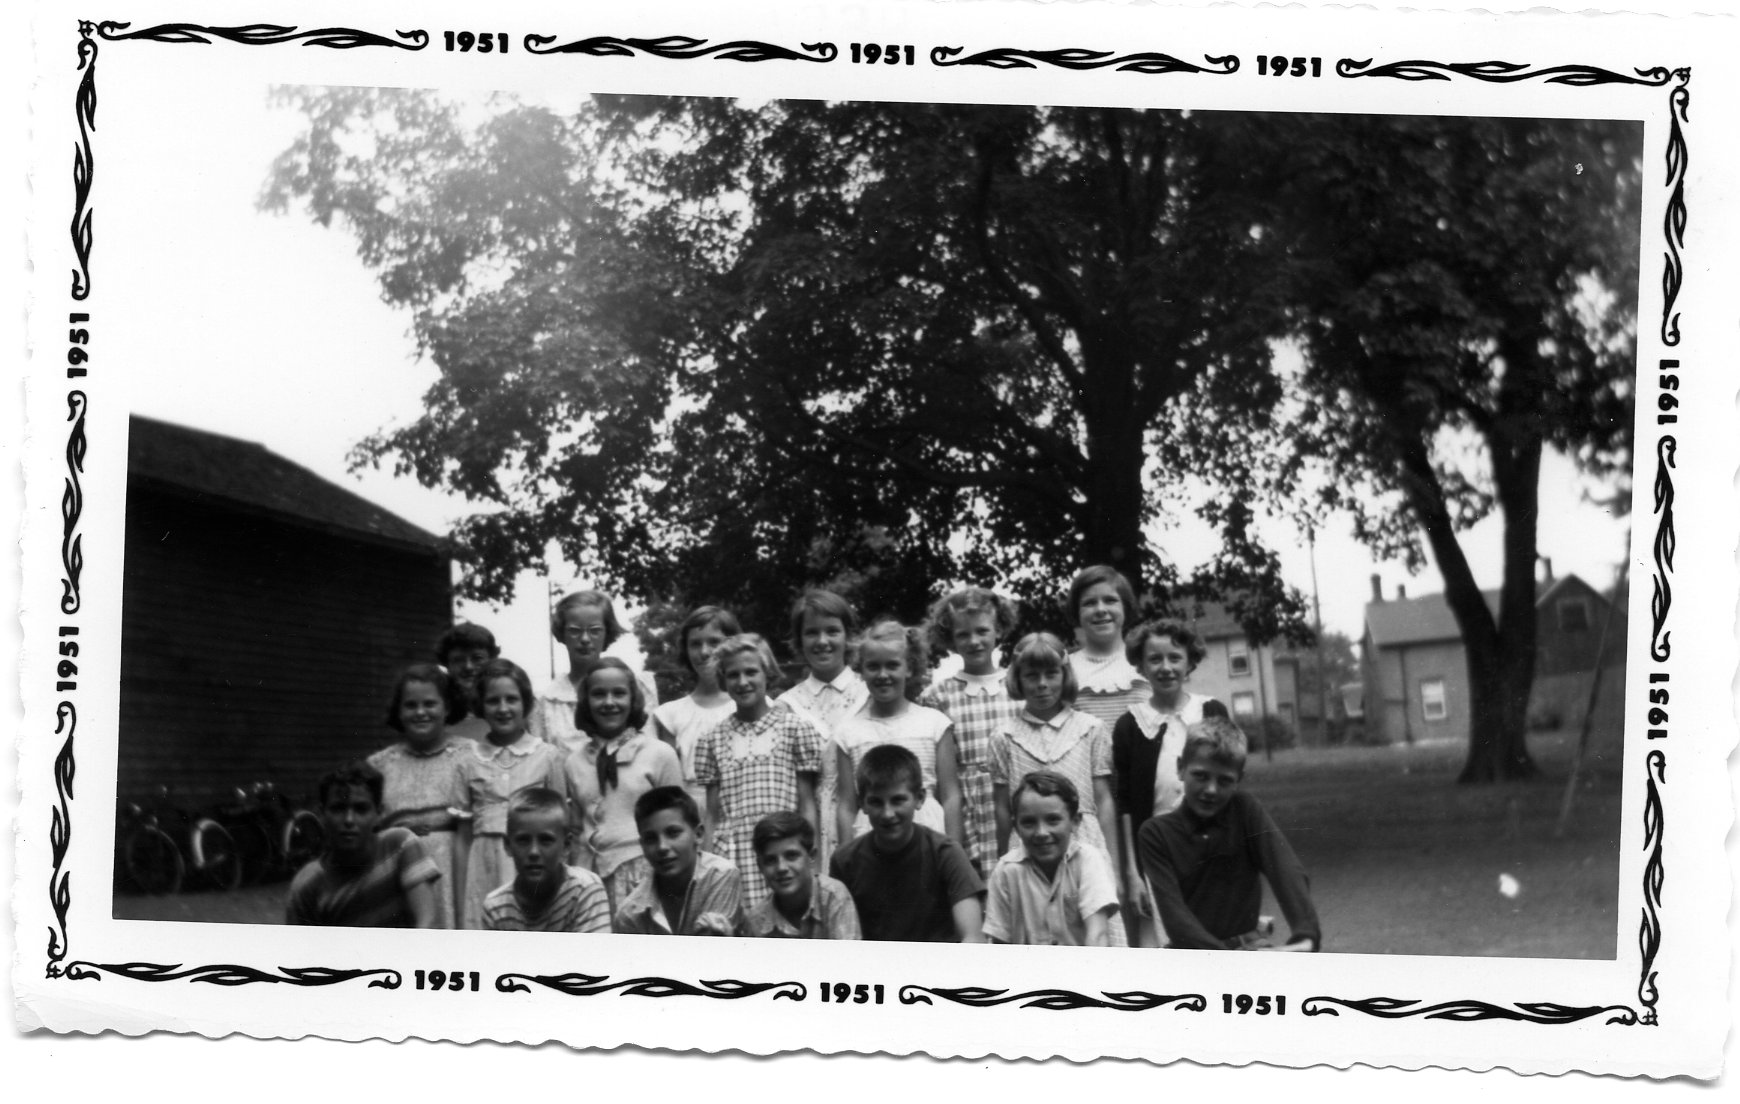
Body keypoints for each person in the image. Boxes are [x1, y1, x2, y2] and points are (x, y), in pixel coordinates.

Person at [1136, 716, 1322, 951]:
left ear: (1238, 781)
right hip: (1195, 957)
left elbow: (1286, 870)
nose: (1211, 789)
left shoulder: (1245, 811)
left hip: (1250, 948)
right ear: (1181, 768)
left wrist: (1306, 935)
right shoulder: (1156, 833)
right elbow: (1176, 919)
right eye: (1201, 776)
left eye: (1224, 781)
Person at [990, 631, 1126, 946]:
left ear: (1064, 676)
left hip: (1085, 840)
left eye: (1051, 674)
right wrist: (1004, 860)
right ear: (1018, 679)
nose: (1042, 684)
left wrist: (1114, 867)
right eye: (1031, 675)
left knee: (1095, 934)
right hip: (1028, 845)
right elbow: (1001, 809)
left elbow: (1103, 800)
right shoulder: (1004, 736)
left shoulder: (1091, 728)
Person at [1112, 618, 1225, 945]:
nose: (1165, 667)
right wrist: (1133, 874)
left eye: (1174, 658)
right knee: (1158, 950)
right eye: (1155, 659)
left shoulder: (1211, 711)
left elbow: (1230, 790)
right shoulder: (1131, 725)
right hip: (1155, 855)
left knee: (1212, 944)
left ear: (1189, 661)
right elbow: (1126, 803)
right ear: (1141, 665)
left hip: (1209, 851)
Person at [694, 634, 823, 909]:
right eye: (733, 675)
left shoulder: (794, 729)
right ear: (723, 679)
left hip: (783, 852)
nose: (742, 682)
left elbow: (807, 803)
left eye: (751, 672)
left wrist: (812, 859)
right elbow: (712, 814)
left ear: (767, 672)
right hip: (734, 854)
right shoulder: (712, 739)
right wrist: (707, 868)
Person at [456, 658, 571, 929]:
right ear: (481, 706)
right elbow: (462, 839)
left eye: (512, 699)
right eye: (493, 701)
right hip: (484, 867)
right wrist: (462, 901)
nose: (503, 708)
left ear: (526, 704)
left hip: (536, 865)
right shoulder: (468, 760)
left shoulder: (548, 756)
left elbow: (563, 829)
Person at [829, 744, 985, 943]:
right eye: (876, 802)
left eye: (898, 800)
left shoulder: (946, 853)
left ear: (919, 798)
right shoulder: (845, 861)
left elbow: (972, 937)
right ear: (863, 804)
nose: (887, 814)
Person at [564, 657, 684, 912]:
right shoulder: (574, 762)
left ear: (633, 699)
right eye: (599, 694)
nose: (609, 702)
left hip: (645, 876)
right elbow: (575, 830)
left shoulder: (658, 754)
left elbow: (678, 825)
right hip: (590, 881)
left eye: (619, 693)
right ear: (587, 701)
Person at [919, 586, 1021, 878]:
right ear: (951, 639)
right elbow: (942, 773)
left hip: (1013, 797)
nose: (974, 641)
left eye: (982, 631)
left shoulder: (1017, 685)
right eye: (963, 634)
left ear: (998, 630)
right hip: (968, 807)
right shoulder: (938, 695)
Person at [834, 621, 962, 847]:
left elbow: (950, 796)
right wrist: (846, 861)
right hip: (870, 840)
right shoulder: (848, 733)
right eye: (873, 666)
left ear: (909, 667)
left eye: (892, 665)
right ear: (861, 671)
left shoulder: (934, 724)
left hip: (927, 837)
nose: (883, 675)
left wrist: (954, 852)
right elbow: (846, 805)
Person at [368, 663, 471, 927]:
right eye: (411, 705)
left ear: (447, 707)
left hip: (453, 869)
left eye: (430, 704)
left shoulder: (470, 756)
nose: (421, 712)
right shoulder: (380, 765)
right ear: (398, 712)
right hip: (397, 870)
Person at [775, 589, 869, 870]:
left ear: (847, 636)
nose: (823, 641)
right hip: (807, 823)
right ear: (799, 640)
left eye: (832, 631)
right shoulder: (786, 706)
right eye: (812, 633)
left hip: (865, 818)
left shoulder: (870, 693)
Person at [286, 761, 440, 928]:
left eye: (361, 809)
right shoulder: (307, 885)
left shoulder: (400, 846)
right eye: (338, 809)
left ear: (379, 813)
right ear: (322, 814)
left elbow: (426, 923)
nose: (349, 820)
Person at [984, 771, 1119, 947]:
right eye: (1029, 822)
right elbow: (999, 941)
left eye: (1053, 820)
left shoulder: (1087, 859)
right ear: (1015, 826)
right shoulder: (1006, 871)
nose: (1041, 833)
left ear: (1075, 821)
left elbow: (1098, 933)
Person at [533, 590, 659, 756]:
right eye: (575, 630)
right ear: (562, 633)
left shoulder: (636, 687)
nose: (585, 639)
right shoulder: (546, 702)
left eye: (594, 630)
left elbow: (649, 747)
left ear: (607, 632)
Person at [612, 786, 744, 936]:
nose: (662, 847)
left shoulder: (720, 876)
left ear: (698, 834)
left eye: (673, 833)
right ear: (642, 846)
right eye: (651, 839)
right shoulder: (630, 915)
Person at [480, 786, 610, 932]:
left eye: (545, 840)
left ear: (566, 845)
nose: (534, 852)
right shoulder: (496, 908)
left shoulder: (585, 890)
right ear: (508, 845)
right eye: (523, 840)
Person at [650, 605, 740, 812]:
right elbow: (667, 781)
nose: (704, 652)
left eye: (714, 642)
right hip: (690, 812)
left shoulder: (752, 705)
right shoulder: (671, 715)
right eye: (695, 644)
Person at [743, 811, 861, 939]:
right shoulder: (757, 920)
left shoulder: (833, 897)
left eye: (791, 856)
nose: (781, 868)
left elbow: (849, 957)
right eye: (771, 860)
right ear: (760, 866)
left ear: (811, 856)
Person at [1064, 565, 1150, 733]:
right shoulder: (1065, 668)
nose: (1100, 610)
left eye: (1110, 600)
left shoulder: (1147, 661)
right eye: (1089, 603)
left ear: (1125, 606)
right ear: (1077, 612)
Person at [436, 622, 499, 743]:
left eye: (477, 658)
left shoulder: (508, 711)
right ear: (447, 665)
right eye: (458, 660)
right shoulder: (438, 715)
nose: (468, 667)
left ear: (492, 660)